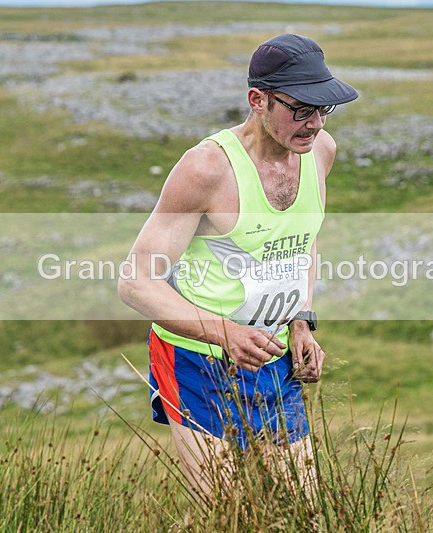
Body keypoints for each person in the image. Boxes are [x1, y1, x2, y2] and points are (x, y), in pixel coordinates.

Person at [118, 33, 358, 497]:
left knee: (302, 511)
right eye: (301, 109)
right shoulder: (208, 168)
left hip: (273, 358)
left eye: (324, 108)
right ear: (258, 100)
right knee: (224, 514)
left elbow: (300, 245)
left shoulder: (320, 151)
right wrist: (224, 333)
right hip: (196, 362)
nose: (315, 123)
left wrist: (302, 321)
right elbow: (135, 283)